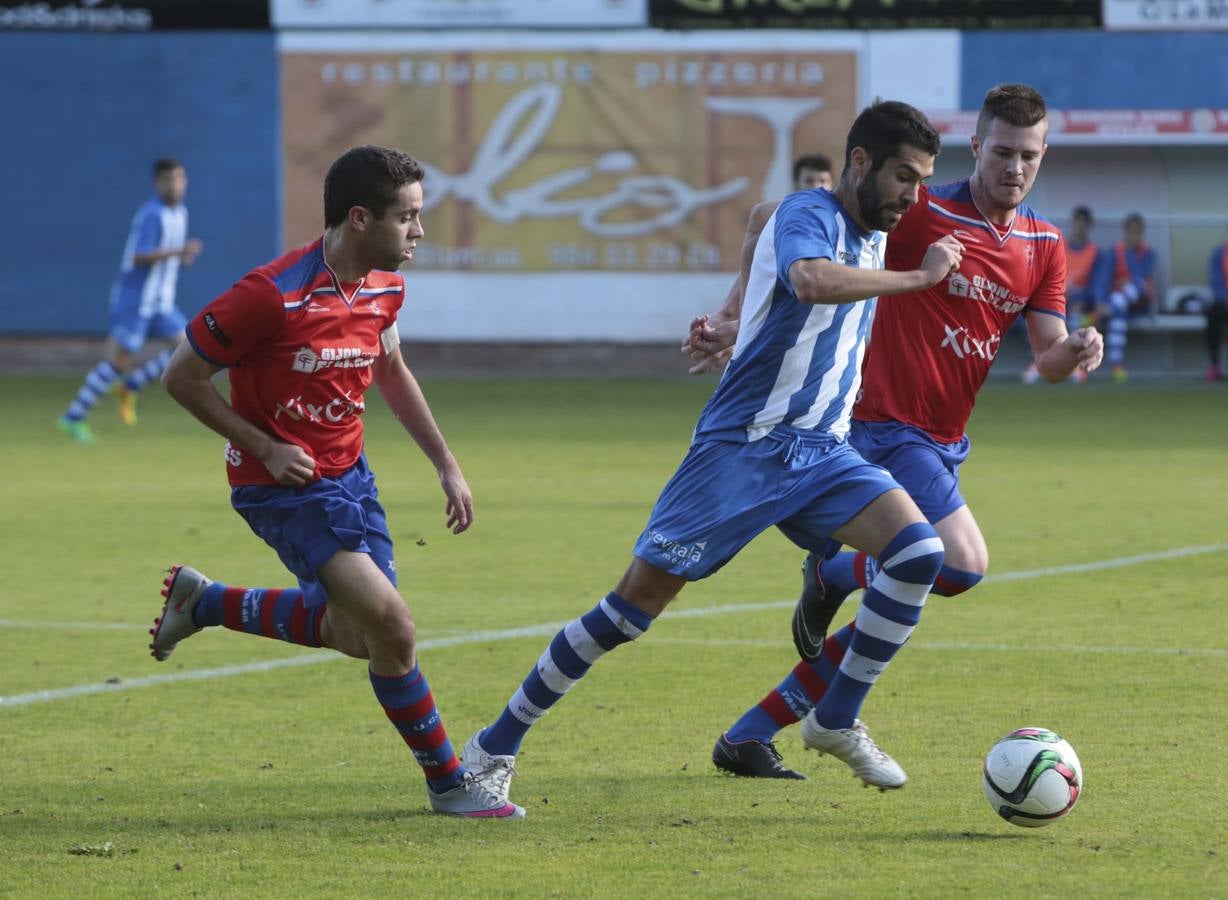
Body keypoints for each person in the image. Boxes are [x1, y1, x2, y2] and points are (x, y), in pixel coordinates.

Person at [460, 100, 966, 812]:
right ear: (859, 163)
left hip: (822, 451)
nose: (912, 197)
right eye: (904, 178)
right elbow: (808, 277)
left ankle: (834, 718)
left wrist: (735, 313)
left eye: (921, 181)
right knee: (629, 611)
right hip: (744, 448)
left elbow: (754, 221)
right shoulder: (812, 217)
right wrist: (919, 279)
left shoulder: (867, 216)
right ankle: (494, 744)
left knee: (919, 554)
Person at [687, 84, 1103, 783]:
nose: (1014, 167)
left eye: (1028, 156)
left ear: (1043, 156)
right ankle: (835, 700)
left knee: (905, 585)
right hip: (877, 426)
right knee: (961, 563)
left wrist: (1079, 351)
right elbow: (769, 218)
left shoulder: (1043, 244)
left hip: (942, 441)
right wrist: (735, 315)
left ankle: (753, 728)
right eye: (1001, 152)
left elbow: (1049, 358)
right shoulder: (921, 208)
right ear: (976, 147)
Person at [147, 146, 523, 819]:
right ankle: (450, 783)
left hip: (350, 480)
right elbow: (181, 377)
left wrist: (445, 463)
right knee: (393, 627)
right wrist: (264, 445)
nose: (419, 231)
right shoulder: (271, 294)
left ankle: (202, 603)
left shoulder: (385, 286)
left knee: (360, 638)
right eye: (407, 217)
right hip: (280, 488)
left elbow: (392, 371)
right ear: (359, 218)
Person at [57, 159, 203, 444]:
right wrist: (178, 251)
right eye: (169, 179)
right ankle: (73, 417)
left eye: (180, 178)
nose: (175, 184)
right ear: (158, 183)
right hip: (135, 301)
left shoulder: (181, 213)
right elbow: (139, 256)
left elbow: (168, 260)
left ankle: (131, 386)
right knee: (117, 364)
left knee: (189, 348)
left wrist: (183, 258)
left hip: (162, 303)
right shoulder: (152, 214)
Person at [1022, 205, 1105, 384]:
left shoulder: (1095, 252)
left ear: (1088, 226)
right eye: (1077, 223)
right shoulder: (1059, 245)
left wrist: (1085, 298)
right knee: (1035, 320)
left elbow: (1096, 284)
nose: (1080, 227)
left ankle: (1076, 367)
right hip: (1056, 298)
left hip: (1081, 304)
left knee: (1077, 321)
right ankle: (1037, 363)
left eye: (1084, 224)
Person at [1100, 212, 1157, 382]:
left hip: (1140, 303)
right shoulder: (1114, 252)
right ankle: (1116, 366)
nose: (1135, 236)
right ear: (1125, 232)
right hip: (1121, 305)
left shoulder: (1149, 254)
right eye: (1132, 231)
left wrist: (1128, 282)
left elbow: (1143, 281)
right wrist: (1100, 301)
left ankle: (1098, 314)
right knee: (1117, 319)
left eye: (1138, 232)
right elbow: (1103, 279)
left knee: (1134, 286)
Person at [1205, 230, 1227, 382]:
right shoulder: (1219, 253)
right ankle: (1215, 365)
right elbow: (1215, 281)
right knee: (1213, 314)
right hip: (1223, 303)